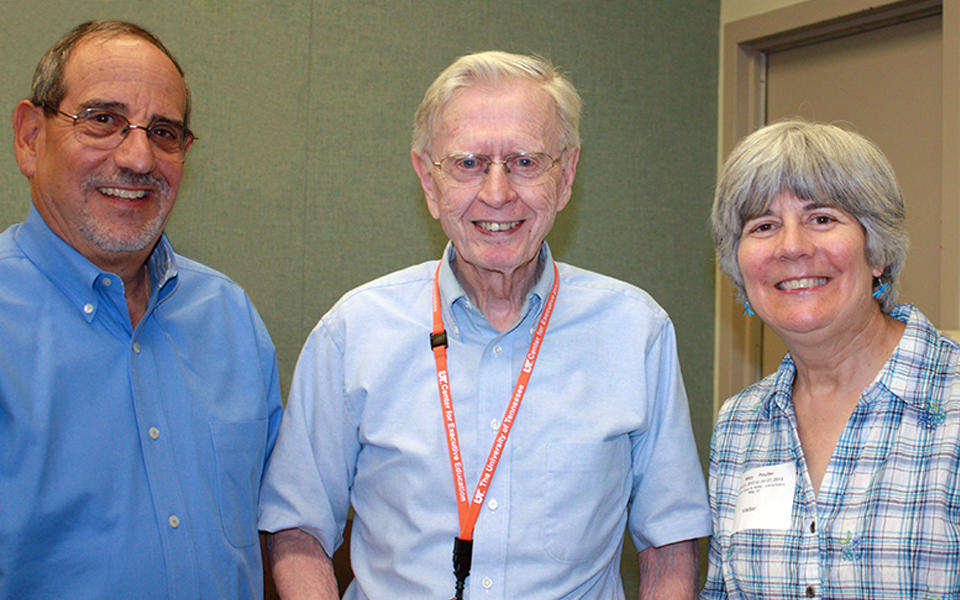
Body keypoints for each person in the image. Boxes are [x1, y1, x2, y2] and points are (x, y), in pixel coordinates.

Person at [259, 50, 710, 599]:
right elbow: (297, 528)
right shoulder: (352, 333)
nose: (497, 193)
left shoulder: (636, 332)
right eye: (468, 163)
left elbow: (671, 544)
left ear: (565, 176)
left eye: (525, 161)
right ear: (429, 179)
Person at [0, 20, 283, 599]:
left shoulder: (229, 318)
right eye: (102, 120)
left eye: (164, 132)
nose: (138, 157)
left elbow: (278, 526)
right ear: (30, 136)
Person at [701, 119, 960, 598]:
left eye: (822, 218)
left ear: (876, 249)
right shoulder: (740, 424)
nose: (792, 247)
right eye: (764, 225)